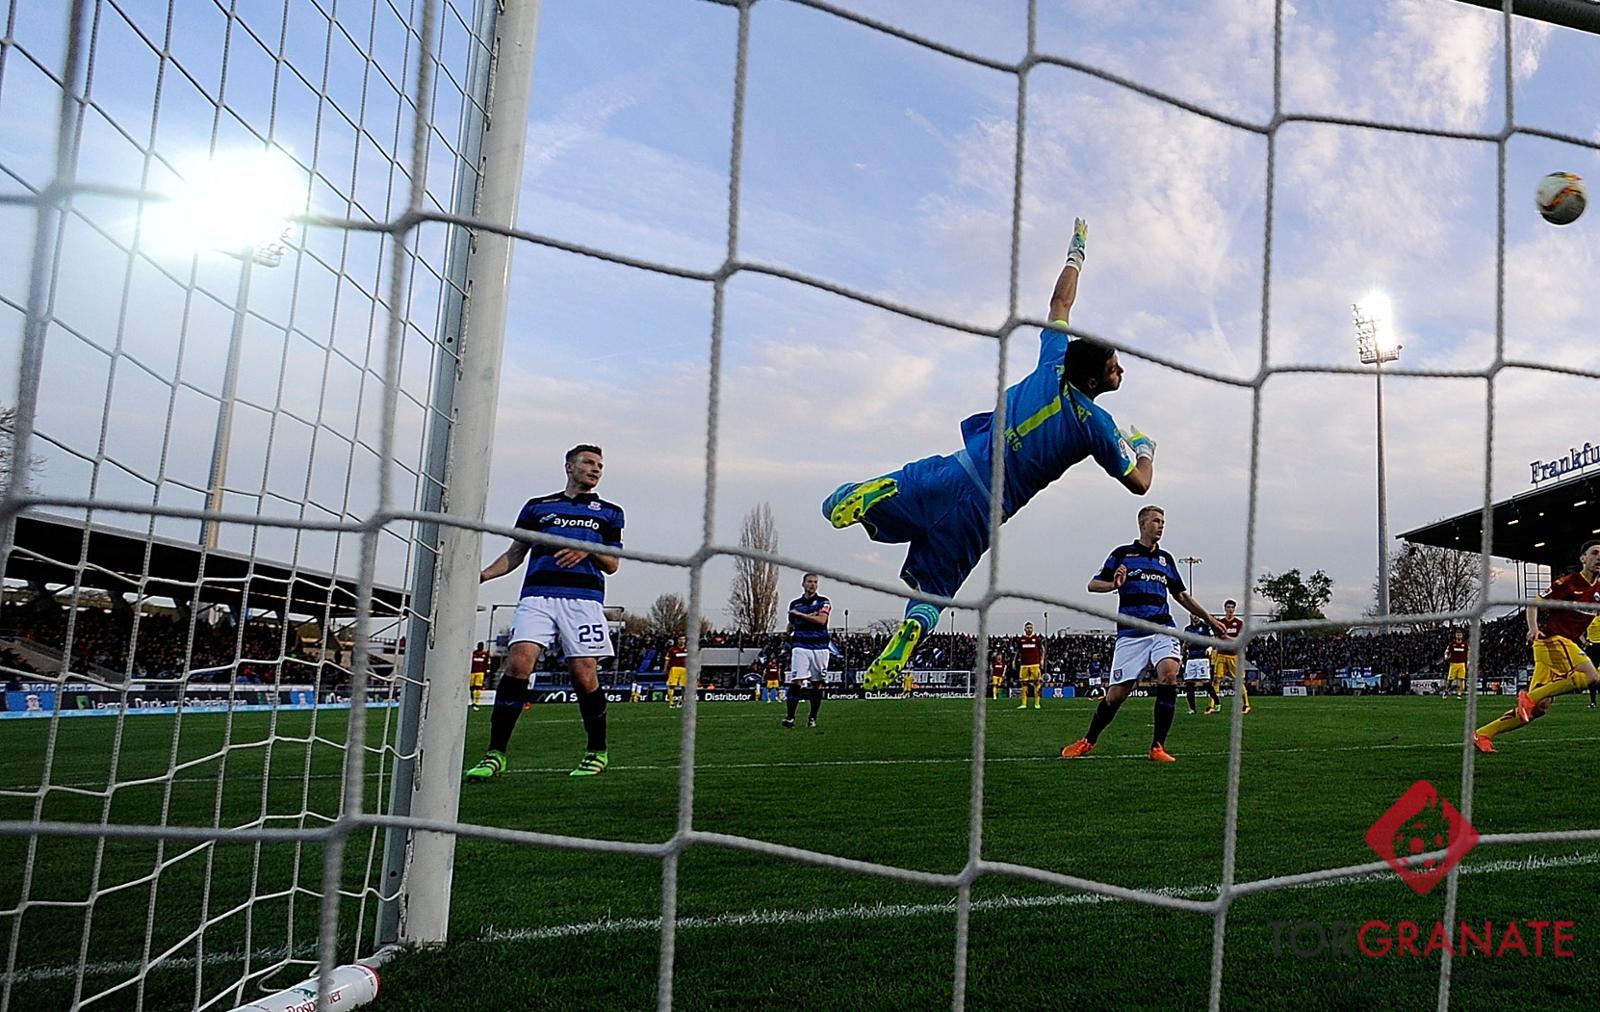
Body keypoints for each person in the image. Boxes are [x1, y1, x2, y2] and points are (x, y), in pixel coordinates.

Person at [825, 219, 1155, 689]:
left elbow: (1059, 304)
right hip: (984, 512)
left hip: (956, 472)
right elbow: (1140, 484)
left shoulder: (1054, 360)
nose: (1121, 370)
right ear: (1092, 381)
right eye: (1114, 367)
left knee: (835, 502)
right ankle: (912, 628)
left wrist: (1076, 254)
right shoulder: (1097, 426)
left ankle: (872, 493)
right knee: (934, 591)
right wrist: (1144, 449)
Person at [465, 445, 623, 780]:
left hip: (583, 600)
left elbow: (612, 564)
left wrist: (587, 549)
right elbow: (515, 553)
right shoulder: (538, 507)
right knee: (518, 663)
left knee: (583, 675)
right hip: (537, 596)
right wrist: (483, 575)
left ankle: (597, 751)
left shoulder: (610, 513)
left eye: (600, 465)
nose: (596, 469)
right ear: (569, 466)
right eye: (588, 462)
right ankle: (495, 754)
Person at [1061, 506, 1224, 762]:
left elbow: (1181, 595)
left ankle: (1157, 747)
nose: (1161, 525)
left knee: (1169, 674)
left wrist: (1210, 619)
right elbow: (1093, 585)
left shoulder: (1166, 560)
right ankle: (1088, 740)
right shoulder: (1122, 554)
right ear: (1143, 524)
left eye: (1163, 521)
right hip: (1131, 634)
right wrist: (1113, 584)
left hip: (1162, 628)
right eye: (1156, 521)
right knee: (1116, 696)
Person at [1475, 540, 1600, 753]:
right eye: (1595, 553)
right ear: (1583, 558)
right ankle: (1529, 697)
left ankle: (1483, 733)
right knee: (1591, 676)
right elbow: (1534, 603)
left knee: (1538, 710)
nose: (1599, 557)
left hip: (1558, 646)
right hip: (1552, 640)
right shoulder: (1568, 583)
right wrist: (1533, 628)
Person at [783, 573, 830, 729]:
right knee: (797, 680)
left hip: (820, 647)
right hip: (801, 645)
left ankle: (812, 718)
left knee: (817, 684)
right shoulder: (795, 604)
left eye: (815, 582)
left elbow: (822, 620)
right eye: (810, 582)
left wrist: (800, 615)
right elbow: (792, 624)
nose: (813, 585)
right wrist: (787, 632)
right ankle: (790, 718)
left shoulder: (824, 602)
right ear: (803, 584)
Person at [1207, 599, 1249, 715]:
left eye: (1232, 607)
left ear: (1234, 609)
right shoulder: (1220, 623)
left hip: (1233, 656)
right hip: (1221, 655)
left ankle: (1246, 705)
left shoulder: (1239, 623)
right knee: (1216, 680)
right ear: (1225, 608)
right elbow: (1216, 638)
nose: (1230, 609)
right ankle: (1212, 705)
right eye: (1228, 607)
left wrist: (1229, 639)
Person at [1181, 617, 1211, 715]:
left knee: (1205, 682)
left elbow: (1212, 640)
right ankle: (1192, 709)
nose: (1195, 616)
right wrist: (1183, 650)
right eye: (1193, 614)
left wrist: (1210, 648)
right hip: (1191, 658)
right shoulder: (1187, 629)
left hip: (1202, 658)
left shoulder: (1205, 627)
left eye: (1196, 615)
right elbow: (1185, 643)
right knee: (1189, 683)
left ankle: (1216, 702)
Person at [1016, 622, 1044, 710]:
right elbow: (1018, 651)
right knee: (1024, 683)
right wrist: (1014, 660)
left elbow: (1042, 649)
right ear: (1024, 629)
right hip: (1024, 665)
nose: (1029, 629)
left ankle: (1037, 703)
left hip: (1035, 664)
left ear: (1033, 629)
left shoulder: (1037, 639)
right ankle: (1024, 704)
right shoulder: (1021, 639)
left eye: (1030, 628)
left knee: (1037, 683)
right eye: (1027, 628)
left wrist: (1042, 660)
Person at [1443, 628, 1469, 701]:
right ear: (1455, 635)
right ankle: (1446, 691)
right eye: (1457, 635)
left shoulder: (1465, 644)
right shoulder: (1452, 644)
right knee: (1450, 680)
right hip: (1453, 664)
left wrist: (1468, 661)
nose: (1459, 636)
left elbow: (1468, 653)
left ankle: (1460, 694)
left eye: (1460, 635)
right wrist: (1446, 655)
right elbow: (1447, 651)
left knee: (1462, 679)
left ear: (1462, 636)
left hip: (1462, 664)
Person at [664, 635, 689, 708]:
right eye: (680, 639)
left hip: (684, 669)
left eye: (683, 639)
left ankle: (681, 701)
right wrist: (665, 669)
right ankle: (671, 702)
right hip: (674, 669)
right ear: (678, 640)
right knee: (672, 685)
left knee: (684, 687)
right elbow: (667, 660)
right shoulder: (672, 649)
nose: (682, 641)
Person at [469, 641, 489, 710]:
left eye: (482, 646)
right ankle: (472, 701)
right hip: (472, 672)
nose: (480, 647)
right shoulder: (474, 654)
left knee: (478, 687)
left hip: (480, 673)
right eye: (479, 646)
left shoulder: (485, 654)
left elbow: (487, 664)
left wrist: (486, 672)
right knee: (471, 688)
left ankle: (476, 702)